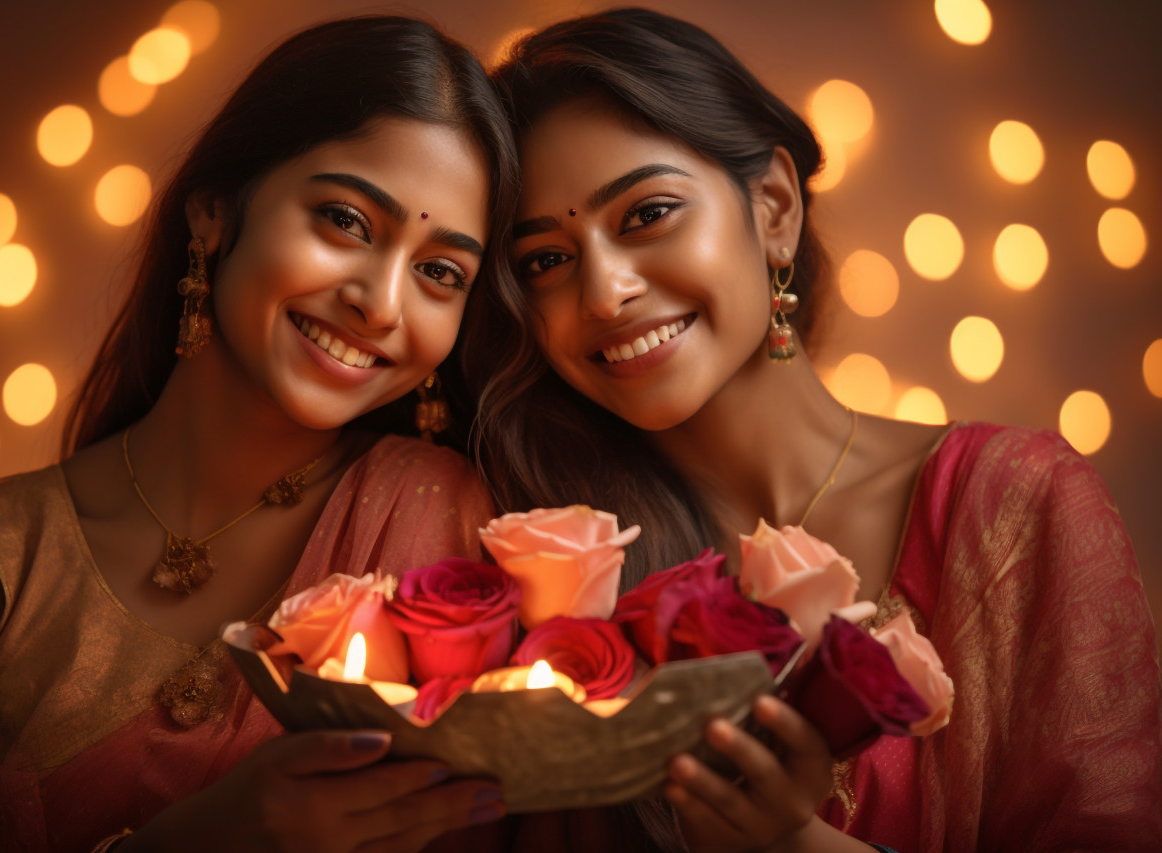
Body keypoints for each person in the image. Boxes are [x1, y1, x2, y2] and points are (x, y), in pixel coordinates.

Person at [468, 8, 1162, 852]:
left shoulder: (1016, 502)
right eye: (545, 259)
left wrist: (794, 841)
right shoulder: (544, 560)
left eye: (647, 215)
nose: (605, 291)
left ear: (774, 207)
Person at [0, 16, 519, 853]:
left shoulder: (468, 534)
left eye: (440, 272)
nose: (383, 303)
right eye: (346, 220)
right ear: (214, 213)